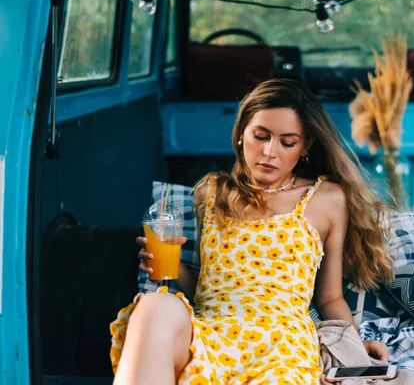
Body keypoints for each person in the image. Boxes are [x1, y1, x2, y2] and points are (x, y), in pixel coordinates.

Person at [110, 79, 395, 385]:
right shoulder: (213, 192)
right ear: (241, 133)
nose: (269, 152)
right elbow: (211, 289)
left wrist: (354, 350)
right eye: (260, 136)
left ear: (305, 148)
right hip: (213, 334)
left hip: (282, 345)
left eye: (287, 142)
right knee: (155, 305)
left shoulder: (328, 198)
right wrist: (171, 266)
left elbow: (330, 299)